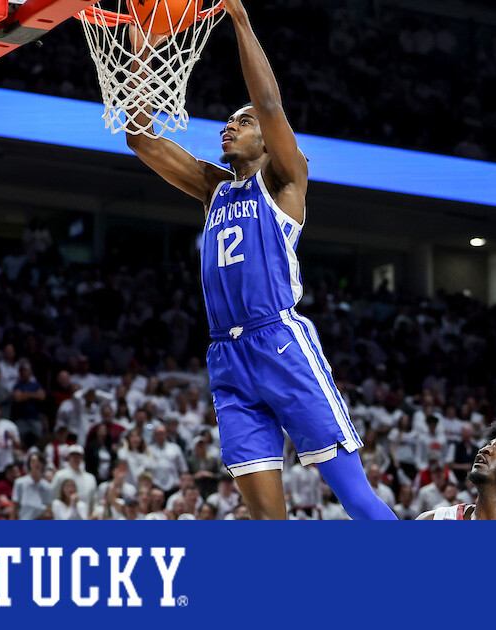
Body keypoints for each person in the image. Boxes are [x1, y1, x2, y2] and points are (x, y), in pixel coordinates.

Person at [122, 0, 392, 520]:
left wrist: (239, 18)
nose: (230, 128)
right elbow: (139, 137)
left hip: (280, 341)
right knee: (268, 521)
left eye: (241, 123)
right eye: (228, 123)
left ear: (267, 142)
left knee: (355, 496)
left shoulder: (285, 181)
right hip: (227, 356)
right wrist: (138, 61)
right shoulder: (214, 188)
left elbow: (268, 102)